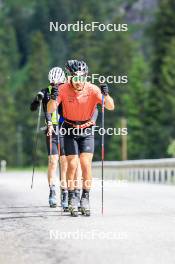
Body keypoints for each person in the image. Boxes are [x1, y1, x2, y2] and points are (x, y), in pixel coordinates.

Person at [48, 60, 115, 216]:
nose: (79, 82)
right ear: (70, 77)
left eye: (82, 78)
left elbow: (111, 106)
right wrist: (53, 98)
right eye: (76, 79)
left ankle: (85, 198)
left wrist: (106, 95)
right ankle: (72, 197)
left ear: (86, 77)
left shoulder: (92, 89)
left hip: (86, 130)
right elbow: (51, 109)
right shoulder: (63, 89)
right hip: (69, 129)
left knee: (85, 164)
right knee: (72, 165)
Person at [30, 67, 67, 208]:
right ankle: (52, 191)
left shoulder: (66, 91)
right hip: (51, 129)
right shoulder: (45, 91)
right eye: (52, 84)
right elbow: (36, 108)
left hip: (66, 129)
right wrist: (36, 99)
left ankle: (65, 192)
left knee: (64, 163)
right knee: (53, 161)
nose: (55, 87)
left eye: (57, 84)